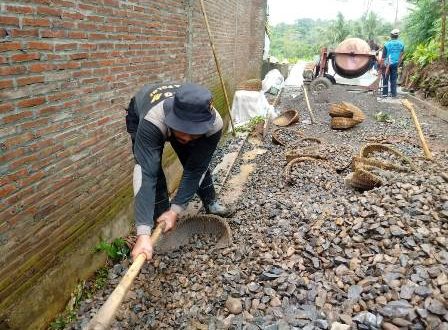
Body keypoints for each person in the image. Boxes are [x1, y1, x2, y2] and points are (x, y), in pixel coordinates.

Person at [125, 83, 233, 261]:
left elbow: (196, 168)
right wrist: (142, 232)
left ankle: (210, 201)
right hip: (142, 113)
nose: (187, 139)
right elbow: (146, 174)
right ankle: (160, 219)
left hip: (180, 125)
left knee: (195, 161)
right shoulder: (153, 121)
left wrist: (176, 210)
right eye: (183, 131)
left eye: (194, 134)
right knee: (153, 169)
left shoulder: (214, 125)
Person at [381, 29, 405, 97]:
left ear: (391, 35)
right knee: (393, 79)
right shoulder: (401, 44)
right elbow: (401, 55)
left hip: (387, 64)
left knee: (385, 78)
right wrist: (398, 64)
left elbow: (383, 56)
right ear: (397, 36)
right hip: (395, 63)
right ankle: (393, 94)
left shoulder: (387, 44)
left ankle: (385, 94)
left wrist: (382, 65)